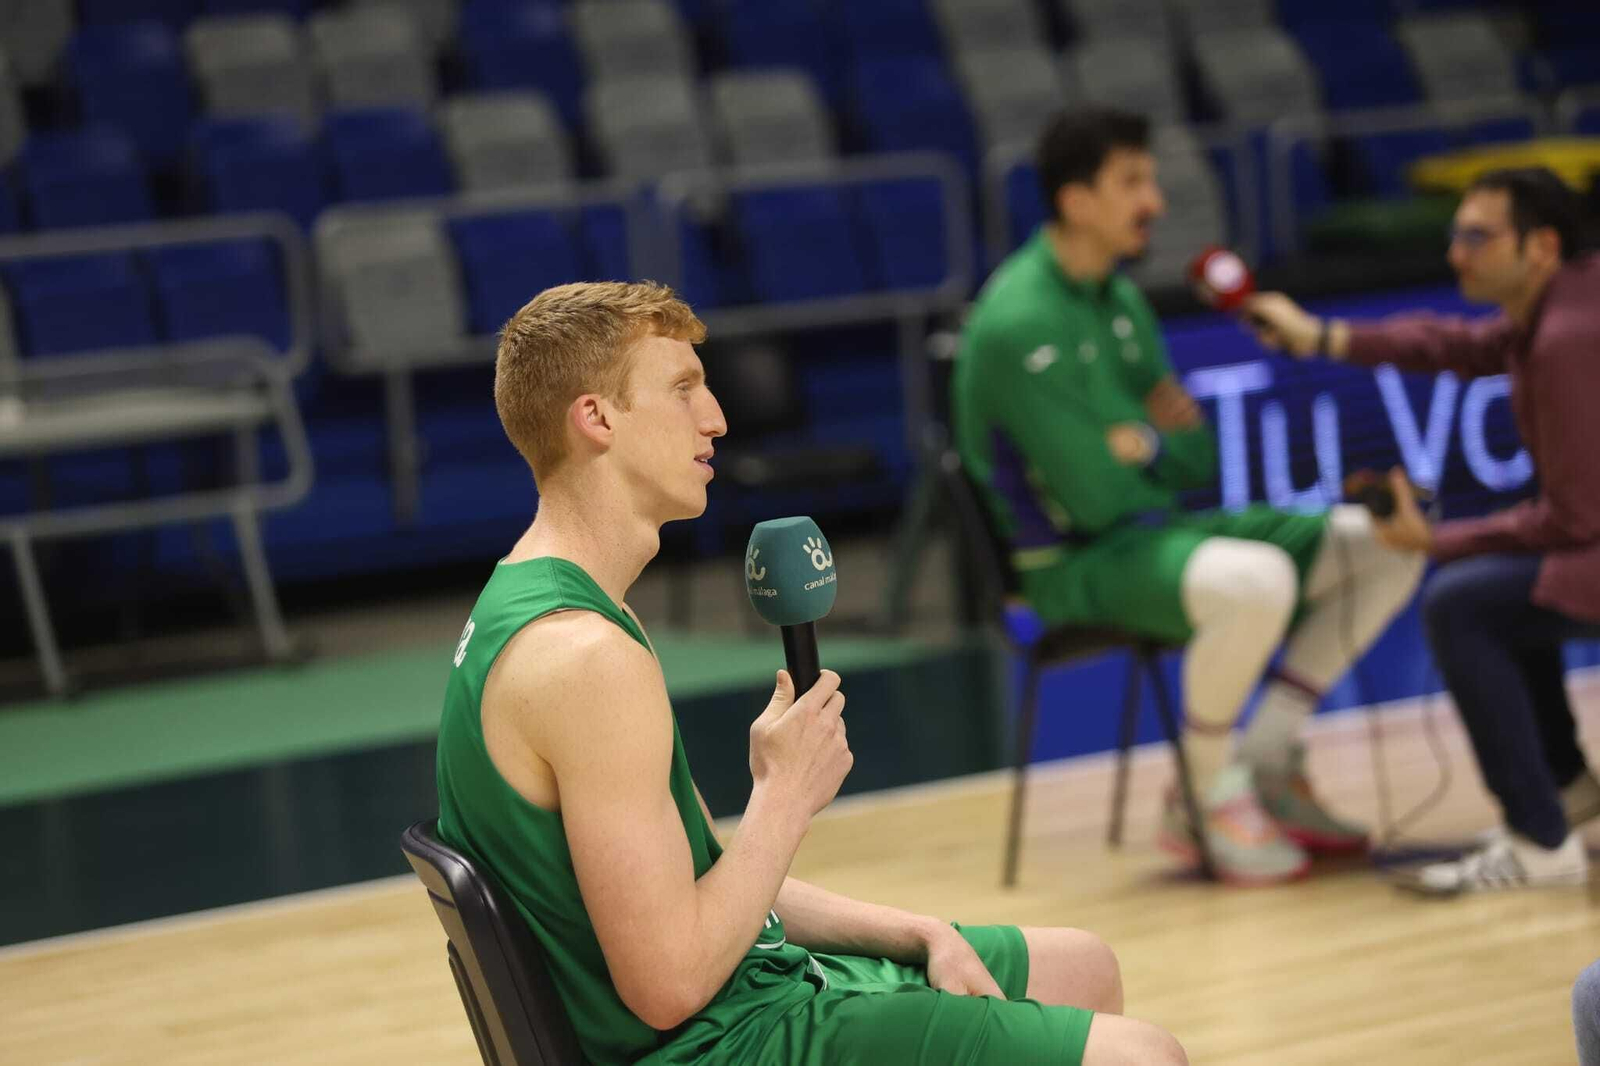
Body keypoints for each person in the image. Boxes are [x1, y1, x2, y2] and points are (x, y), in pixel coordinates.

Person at [434, 281, 1186, 1064]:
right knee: (1147, 1056)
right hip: (712, 1042)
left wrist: (911, 929)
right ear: (597, 418)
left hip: (746, 992)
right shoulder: (584, 659)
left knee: (1083, 967)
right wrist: (783, 799)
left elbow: (710, 886)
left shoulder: (555, 607)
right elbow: (668, 983)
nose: (716, 418)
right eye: (684, 389)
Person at [950, 106, 1425, 886]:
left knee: (1382, 544)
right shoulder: (1017, 321)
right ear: (1076, 201)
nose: (1156, 203)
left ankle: (1269, 756)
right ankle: (1204, 795)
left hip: (1160, 532)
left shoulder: (1119, 300)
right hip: (1073, 566)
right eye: (1132, 182)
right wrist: (1143, 447)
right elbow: (1095, 499)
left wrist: (1145, 444)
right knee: (1257, 582)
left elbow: (1195, 451)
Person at [1247, 166, 1600, 896]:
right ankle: (1565, 791)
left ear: (1540, 246)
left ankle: (1542, 845)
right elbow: (1448, 345)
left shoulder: (1566, 338)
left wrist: (1433, 541)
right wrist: (1320, 335)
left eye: (1477, 236)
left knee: (1461, 602)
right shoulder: (1556, 305)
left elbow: (1576, 518)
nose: (1456, 253)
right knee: (1501, 593)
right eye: (1455, 235)